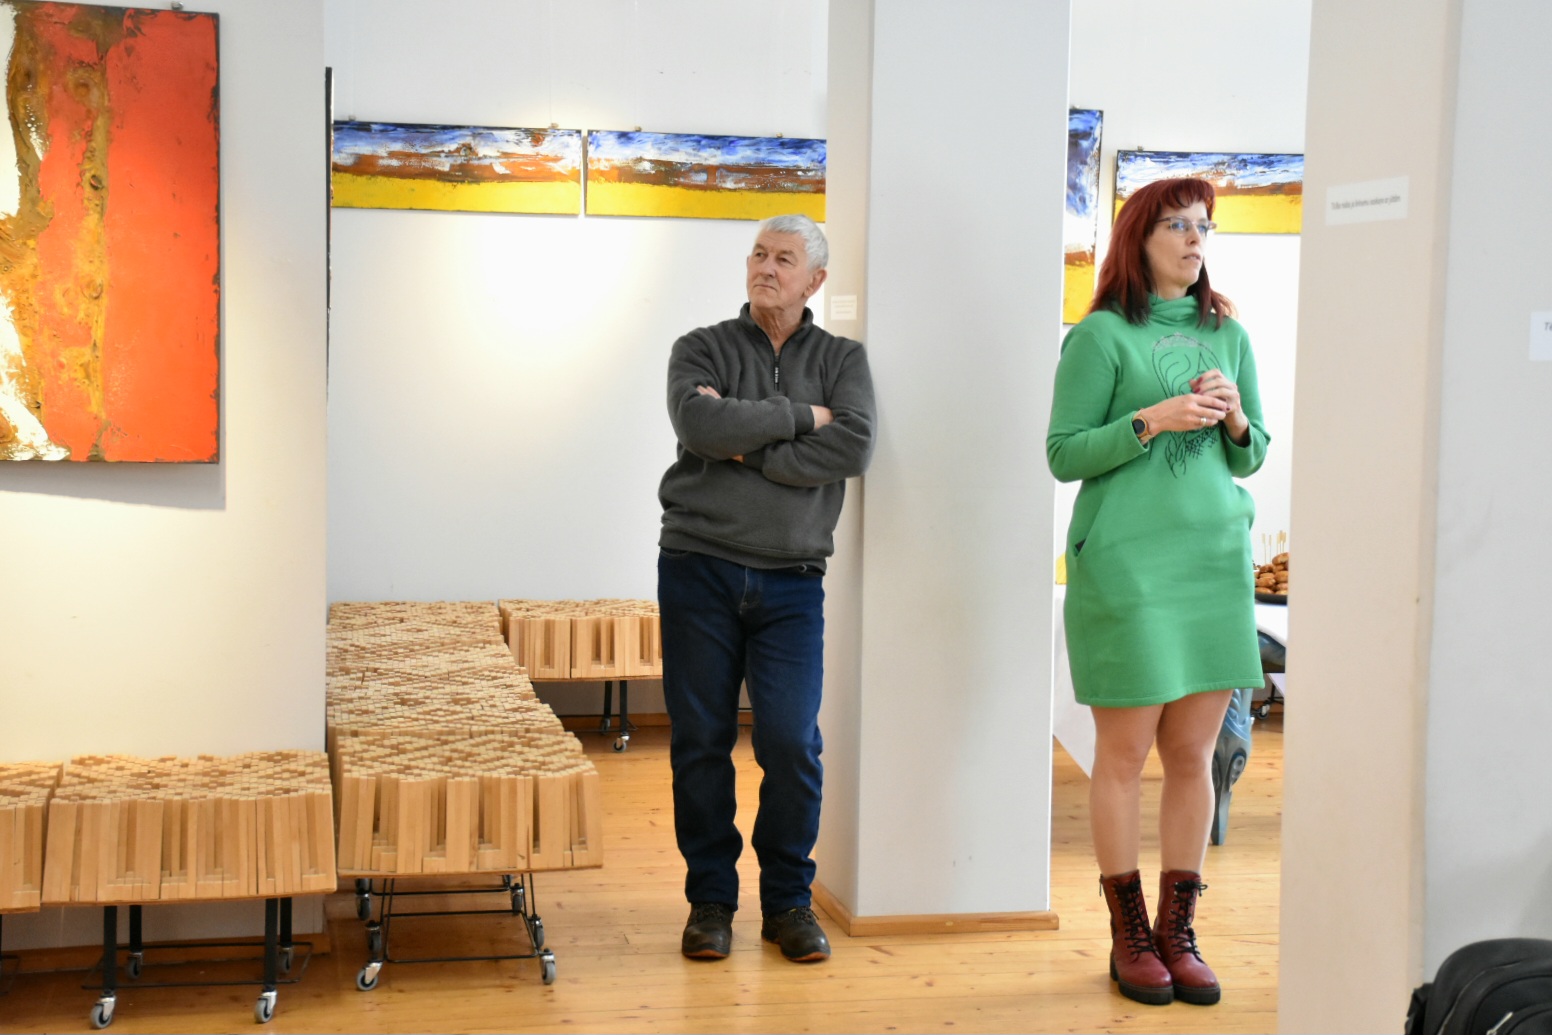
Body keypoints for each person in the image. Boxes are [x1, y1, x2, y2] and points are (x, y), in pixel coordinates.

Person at [1046, 177, 1269, 1007]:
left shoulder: (1229, 333)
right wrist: (1151, 420)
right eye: (1176, 224)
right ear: (1138, 238)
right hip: (1130, 569)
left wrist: (1235, 417)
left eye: (1203, 225)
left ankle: (1180, 932)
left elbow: (1251, 453)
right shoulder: (1100, 335)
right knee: (1124, 755)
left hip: (1213, 564)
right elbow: (1064, 453)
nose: (1193, 238)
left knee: (1193, 755)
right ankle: (1129, 934)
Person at [656, 214, 876, 964]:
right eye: (758, 253)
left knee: (790, 743)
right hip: (698, 566)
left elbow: (853, 443)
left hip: (793, 580)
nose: (766, 267)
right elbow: (698, 424)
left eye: (784, 258)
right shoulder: (701, 347)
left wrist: (749, 451)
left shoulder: (842, 358)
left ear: (815, 280)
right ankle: (711, 901)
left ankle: (787, 902)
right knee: (700, 741)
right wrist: (800, 419)